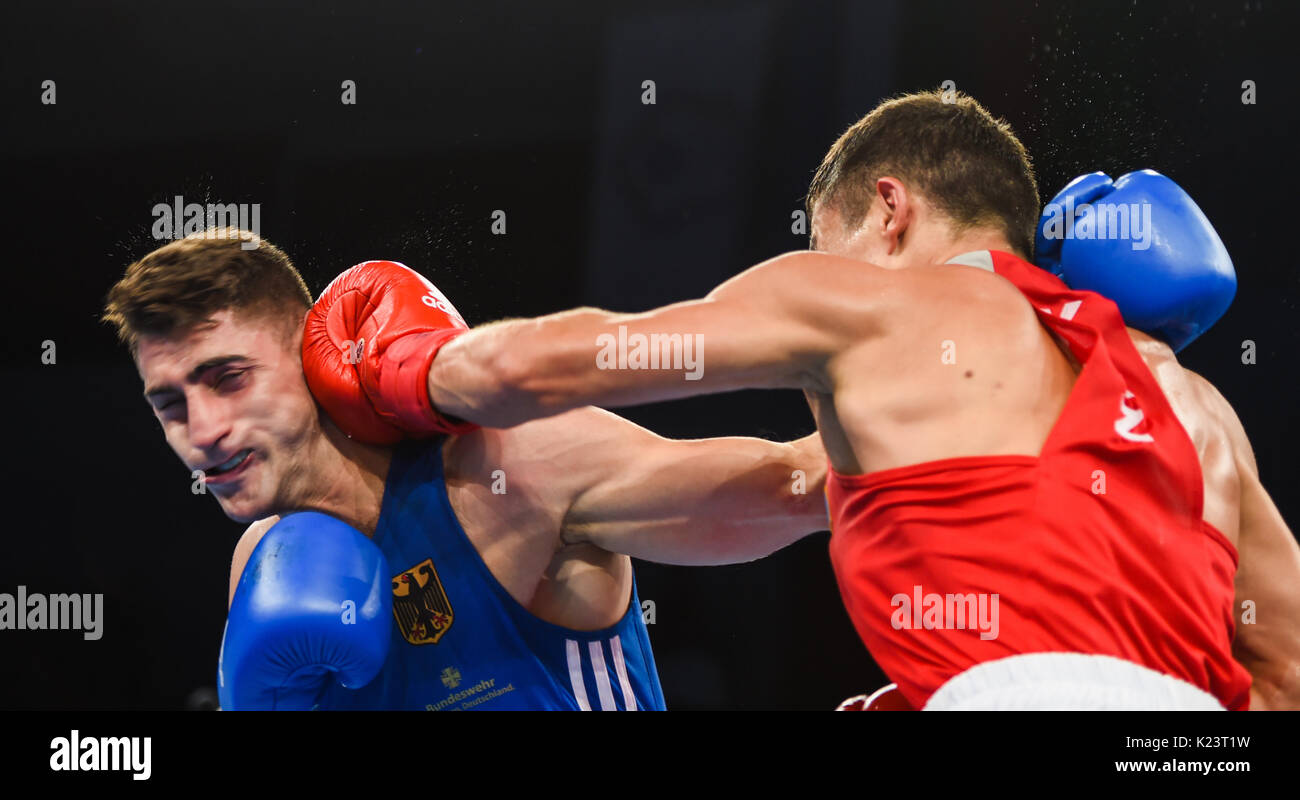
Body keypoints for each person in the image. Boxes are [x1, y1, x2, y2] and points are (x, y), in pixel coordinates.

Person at [389, 90, 1300, 710]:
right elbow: (1284, 680)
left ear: (889, 209)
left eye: (834, 244)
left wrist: (407, 367)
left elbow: (541, 368)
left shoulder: (862, 304)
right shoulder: (1201, 409)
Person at [102, 231, 829, 710]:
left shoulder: (513, 466)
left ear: (309, 354)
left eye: (227, 378)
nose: (203, 433)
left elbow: (794, 488)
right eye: (169, 404)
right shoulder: (263, 563)